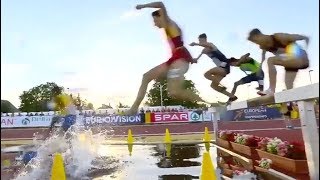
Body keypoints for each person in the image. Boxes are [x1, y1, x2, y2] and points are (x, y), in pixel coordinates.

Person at [126, 1, 209, 115]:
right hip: (174, 59)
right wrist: (192, 58)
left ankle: (208, 103)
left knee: (174, 92)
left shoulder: (168, 23)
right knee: (147, 77)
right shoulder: (169, 28)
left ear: (161, 17)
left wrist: (143, 6)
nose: (155, 24)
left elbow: (160, 4)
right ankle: (134, 109)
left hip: (179, 61)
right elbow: (181, 46)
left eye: (155, 20)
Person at [247, 28, 310, 95]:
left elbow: (299, 37)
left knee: (270, 60)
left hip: (300, 58)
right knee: (288, 85)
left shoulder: (278, 36)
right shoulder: (263, 46)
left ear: (259, 35)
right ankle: (297, 102)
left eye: (256, 41)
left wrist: (306, 42)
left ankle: (271, 90)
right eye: (255, 43)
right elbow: (263, 57)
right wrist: (260, 69)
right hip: (290, 62)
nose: (257, 44)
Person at [190, 33, 238, 103]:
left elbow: (208, 45)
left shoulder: (211, 45)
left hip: (224, 66)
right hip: (221, 69)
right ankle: (232, 96)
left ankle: (220, 84)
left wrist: (196, 44)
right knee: (213, 86)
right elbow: (198, 58)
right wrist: (195, 60)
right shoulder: (204, 50)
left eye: (201, 41)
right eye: (199, 41)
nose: (200, 42)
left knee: (207, 74)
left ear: (205, 39)